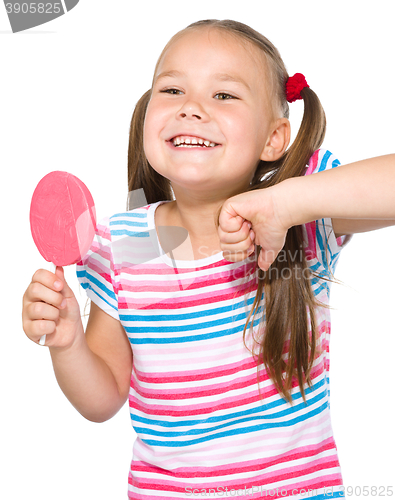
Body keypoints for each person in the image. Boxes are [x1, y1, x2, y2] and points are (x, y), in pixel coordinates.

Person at [22, 19, 395, 499]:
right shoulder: (126, 245)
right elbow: (102, 399)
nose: (192, 108)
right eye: (173, 89)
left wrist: (287, 203)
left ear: (273, 139)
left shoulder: (302, 220)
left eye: (224, 95)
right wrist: (68, 343)